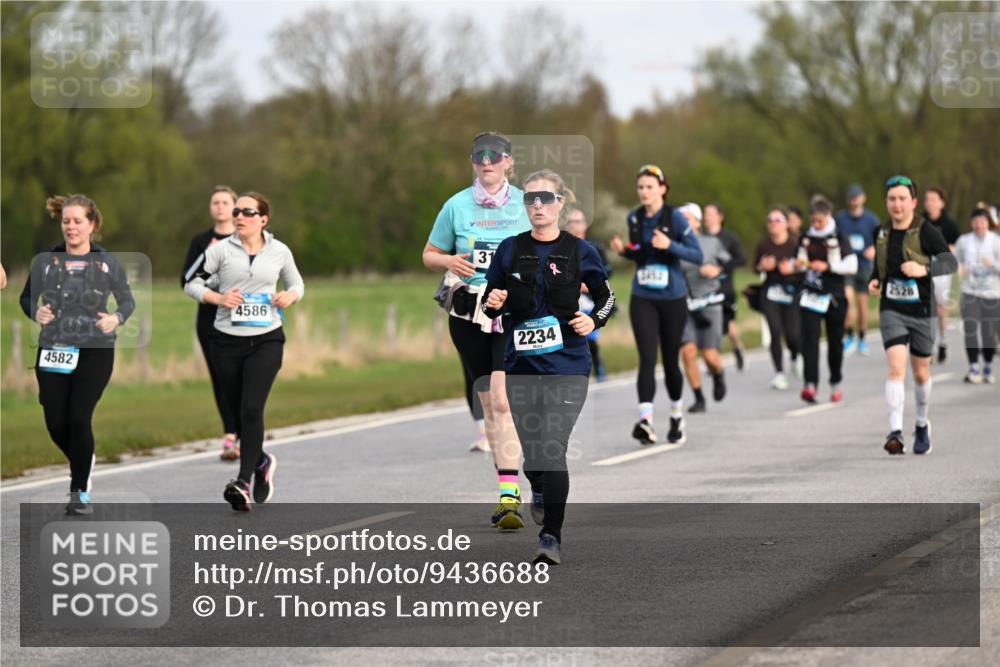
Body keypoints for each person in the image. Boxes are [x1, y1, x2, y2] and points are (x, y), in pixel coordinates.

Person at [482, 169, 614, 564]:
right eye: (531, 199)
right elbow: (491, 298)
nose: (538, 205)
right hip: (522, 366)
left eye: (546, 198)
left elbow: (607, 298)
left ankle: (550, 537)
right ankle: (537, 486)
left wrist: (595, 321)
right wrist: (493, 301)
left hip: (568, 366)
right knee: (535, 455)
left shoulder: (580, 251)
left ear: (560, 203)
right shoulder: (509, 249)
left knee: (553, 449)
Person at [422, 132, 530, 525]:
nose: (486, 161)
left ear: (508, 162)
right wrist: (449, 260)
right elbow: (428, 255)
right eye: (479, 156)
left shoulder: (524, 203)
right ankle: (507, 492)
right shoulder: (456, 205)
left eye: (494, 155)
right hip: (468, 316)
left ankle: (510, 492)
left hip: (512, 312)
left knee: (502, 400)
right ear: (473, 161)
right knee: (488, 402)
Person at [184, 192, 304, 510]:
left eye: (247, 211)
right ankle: (262, 461)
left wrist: (289, 297)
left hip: (266, 339)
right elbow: (191, 283)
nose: (239, 216)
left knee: (251, 409)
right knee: (237, 414)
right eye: (236, 211)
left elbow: (297, 284)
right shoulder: (220, 250)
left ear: (263, 219)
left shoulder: (279, 251)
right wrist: (218, 298)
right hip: (225, 340)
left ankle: (243, 482)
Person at [19, 194, 135, 515]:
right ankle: (84, 459)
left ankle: (79, 492)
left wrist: (116, 318)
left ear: (92, 224)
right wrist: (36, 312)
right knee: (56, 421)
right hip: (54, 347)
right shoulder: (46, 261)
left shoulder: (107, 262)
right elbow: (26, 298)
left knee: (78, 417)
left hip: (96, 349)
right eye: (66, 221)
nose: (71, 227)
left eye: (77, 221)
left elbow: (127, 301)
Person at [610, 165, 703, 446]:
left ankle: (676, 415)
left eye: (650, 187)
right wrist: (625, 251)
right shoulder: (634, 218)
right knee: (647, 358)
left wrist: (670, 244)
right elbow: (642, 254)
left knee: (671, 360)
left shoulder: (674, 218)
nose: (644, 192)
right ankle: (646, 421)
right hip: (643, 296)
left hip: (672, 298)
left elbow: (697, 255)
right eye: (640, 187)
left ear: (663, 188)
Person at [869, 176, 956, 455]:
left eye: (902, 198)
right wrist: (874, 280)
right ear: (886, 202)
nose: (897, 204)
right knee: (896, 367)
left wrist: (924, 270)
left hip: (922, 310)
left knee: (920, 372)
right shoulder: (881, 233)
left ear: (913, 202)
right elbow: (879, 266)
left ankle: (921, 424)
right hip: (891, 309)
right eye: (892, 199)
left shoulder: (926, 231)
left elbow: (949, 262)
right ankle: (895, 432)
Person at [181, 185, 240, 460]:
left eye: (225, 202)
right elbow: (187, 280)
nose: (219, 207)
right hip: (209, 319)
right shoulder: (201, 241)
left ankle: (245, 431)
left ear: (235, 206)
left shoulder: (245, 238)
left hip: (241, 317)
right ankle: (230, 434)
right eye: (215, 202)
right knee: (221, 376)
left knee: (242, 376)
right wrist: (209, 257)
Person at [796, 196, 857, 403]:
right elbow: (799, 259)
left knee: (834, 342)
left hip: (834, 296)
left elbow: (852, 265)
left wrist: (828, 266)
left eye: (819, 221)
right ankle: (810, 384)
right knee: (810, 340)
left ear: (827, 217)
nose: (816, 225)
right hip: (811, 295)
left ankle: (835, 382)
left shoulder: (839, 235)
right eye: (813, 221)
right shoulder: (806, 237)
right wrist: (800, 264)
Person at [678, 203, 730, 412]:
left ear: (697, 222)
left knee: (709, 355)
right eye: (680, 218)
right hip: (684, 305)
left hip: (709, 301)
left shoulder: (711, 242)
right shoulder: (673, 246)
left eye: (688, 218)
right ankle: (699, 397)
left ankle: (718, 374)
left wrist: (717, 269)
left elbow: (729, 265)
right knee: (688, 351)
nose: (684, 222)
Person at [754, 207, 802, 390]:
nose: (773, 223)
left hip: (792, 291)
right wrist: (762, 266)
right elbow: (755, 267)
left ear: (787, 224)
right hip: (771, 291)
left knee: (792, 333)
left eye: (778, 220)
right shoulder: (763, 245)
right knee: (774, 329)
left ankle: (796, 356)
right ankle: (779, 373)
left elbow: (806, 267)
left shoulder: (796, 244)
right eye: (770, 220)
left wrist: (793, 269)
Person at [565, 206, 614, 381]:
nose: (573, 225)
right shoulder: (561, 247)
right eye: (570, 221)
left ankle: (597, 363)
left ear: (585, 225)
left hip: (590, 299)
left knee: (589, 337)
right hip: (569, 298)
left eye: (577, 221)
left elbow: (607, 272)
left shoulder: (595, 248)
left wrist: (588, 285)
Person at [836, 184, 881, 357]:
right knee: (847, 303)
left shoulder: (871, 219)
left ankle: (862, 338)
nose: (854, 201)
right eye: (851, 197)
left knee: (862, 306)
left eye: (857, 197)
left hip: (864, 266)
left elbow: (881, 240)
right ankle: (849, 336)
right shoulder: (841, 218)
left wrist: (874, 250)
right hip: (847, 265)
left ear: (863, 198)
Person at [955, 208, 1000, 384]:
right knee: (971, 328)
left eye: (982, 221)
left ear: (988, 223)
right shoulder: (964, 241)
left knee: (988, 332)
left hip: (992, 293)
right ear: (971, 223)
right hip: (970, 291)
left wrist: (993, 264)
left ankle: (987, 364)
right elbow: (955, 260)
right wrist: (959, 267)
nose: (979, 225)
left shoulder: (996, 241)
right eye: (975, 221)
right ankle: (973, 365)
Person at [703, 203, 748, 370]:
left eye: (710, 213)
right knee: (710, 324)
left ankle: (737, 347)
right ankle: (713, 359)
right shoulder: (700, 238)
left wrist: (721, 268)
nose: (706, 217)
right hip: (706, 289)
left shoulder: (729, 238)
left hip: (725, 288)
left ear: (720, 217)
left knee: (728, 325)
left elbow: (741, 259)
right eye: (705, 214)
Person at [922, 186, 961, 363]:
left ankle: (943, 341)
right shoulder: (920, 221)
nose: (929, 203)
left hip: (942, 271)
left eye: (933, 199)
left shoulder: (949, 223)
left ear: (941, 202)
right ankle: (927, 346)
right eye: (927, 199)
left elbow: (955, 246)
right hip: (923, 269)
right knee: (925, 308)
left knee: (940, 308)